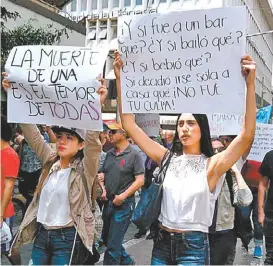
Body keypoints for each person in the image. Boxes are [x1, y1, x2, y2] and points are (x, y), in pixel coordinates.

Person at [113, 52, 256, 265]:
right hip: (161, 244)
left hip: (194, 247)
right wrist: (120, 78)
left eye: (191, 123)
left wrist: (250, 85)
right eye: (181, 124)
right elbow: (129, 124)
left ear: (202, 129)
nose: (185, 129)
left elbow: (246, 135)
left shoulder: (213, 165)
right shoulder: (167, 158)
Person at [2, 75, 107, 265]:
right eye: (59, 136)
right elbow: (32, 135)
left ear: (81, 145)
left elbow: (94, 145)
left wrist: (96, 107)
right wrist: (14, 95)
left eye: (69, 137)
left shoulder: (85, 169)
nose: (62, 141)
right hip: (42, 236)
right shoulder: (50, 161)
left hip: (67, 239)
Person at [100, 122, 145, 265]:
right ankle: (127, 262)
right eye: (109, 132)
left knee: (113, 247)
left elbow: (140, 180)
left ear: (123, 134)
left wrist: (123, 196)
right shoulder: (109, 154)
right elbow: (103, 173)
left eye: (113, 132)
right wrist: (102, 184)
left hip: (123, 205)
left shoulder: (134, 154)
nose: (109, 135)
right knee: (108, 239)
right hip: (108, 203)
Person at [209, 138, 253, 265]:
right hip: (202, 232)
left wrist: (236, 172)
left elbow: (245, 200)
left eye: (221, 150)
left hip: (225, 231)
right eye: (213, 150)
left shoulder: (229, 174)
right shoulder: (201, 173)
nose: (217, 153)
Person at [1, 115, 22, 265]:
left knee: (7, 248)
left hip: (3, 211)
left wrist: (0, 214)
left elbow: (9, 187)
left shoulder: (9, 154)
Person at [258, 150, 273, 265]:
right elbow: (263, 184)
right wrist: (261, 212)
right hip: (271, 214)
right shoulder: (270, 156)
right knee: (271, 257)